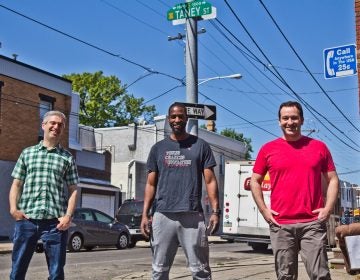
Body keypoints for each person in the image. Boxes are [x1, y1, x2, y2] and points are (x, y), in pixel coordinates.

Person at [250, 101, 339, 280]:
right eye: (285, 118)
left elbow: (333, 179)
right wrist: (264, 210)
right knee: (285, 276)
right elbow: (254, 181)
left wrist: (328, 208)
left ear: (302, 120)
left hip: (312, 223)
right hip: (281, 224)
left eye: (294, 118)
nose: (290, 122)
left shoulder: (318, 147)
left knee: (320, 275)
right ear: (279, 121)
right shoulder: (268, 149)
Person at [140, 102, 220, 280]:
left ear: (186, 118)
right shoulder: (158, 149)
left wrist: (215, 211)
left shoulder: (200, 146)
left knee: (200, 271)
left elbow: (210, 180)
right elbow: (150, 184)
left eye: (181, 116)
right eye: (173, 116)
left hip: (192, 215)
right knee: (159, 271)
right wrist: (145, 214)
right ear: (169, 119)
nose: (177, 120)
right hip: (162, 215)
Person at [9, 110, 79, 280]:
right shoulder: (27, 153)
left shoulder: (67, 158)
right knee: (17, 269)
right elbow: (16, 184)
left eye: (60, 125)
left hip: (55, 224)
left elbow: (73, 189)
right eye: (52, 123)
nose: (56, 127)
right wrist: (13, 209)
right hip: (27, 220)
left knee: (56, 273)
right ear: (44, 125)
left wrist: (68, 216)